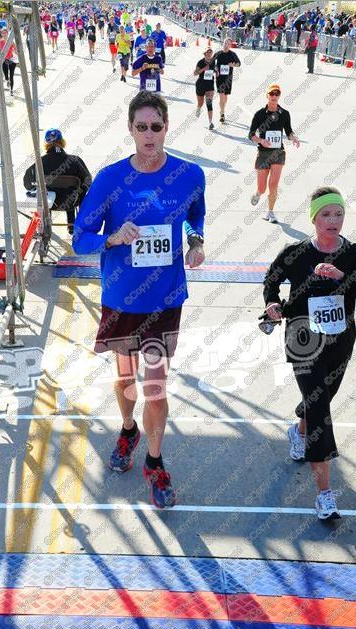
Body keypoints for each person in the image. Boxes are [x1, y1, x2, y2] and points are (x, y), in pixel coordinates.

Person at [72, 91, 206, 509]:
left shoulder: (190, 174)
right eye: (142, 127)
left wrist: (196, 241)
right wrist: (112, 237)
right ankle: (128, 428)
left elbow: (195, 216)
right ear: (130, 129)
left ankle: (154, 461)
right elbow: (80, 239)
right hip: (121, 300)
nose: (150, 135)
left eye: (157, 126)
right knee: (127, 381)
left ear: (168, 127)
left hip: (165, 300)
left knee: (156, 386)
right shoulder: (110, 179)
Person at [263, 186, 356, 520]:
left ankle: (299, 429)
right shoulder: (296, 253)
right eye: (326, 215)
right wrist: (272, 303)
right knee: (320, 405)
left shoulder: (353, 255)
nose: (333, 220)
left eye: (338, 214)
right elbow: (271, 280)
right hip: (303, 338)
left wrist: (342, 277)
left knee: (322, 397)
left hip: (339, 340)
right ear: (314, 218)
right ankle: (325, 495)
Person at [23, 129, 91, 235]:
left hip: (49, 203)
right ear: (62, 142)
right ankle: (71, 225)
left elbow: (27, 180)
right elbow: (88, 179)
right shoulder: (74, 160)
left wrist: (34, 190)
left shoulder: (41, 162)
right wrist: (81, 198)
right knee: (71, 190)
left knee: (46, 192)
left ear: (46, 144)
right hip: (71, 202)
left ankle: (47, 224)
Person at [249, 83, 300, 223]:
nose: (274, 96)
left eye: (277, 94)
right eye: (272, 94)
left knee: (274, 184)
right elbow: (251, 134)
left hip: (278, 153)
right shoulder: (259, 114)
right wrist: (261, 140)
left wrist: (294, 137)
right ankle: (258, 193)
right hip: (263, 153)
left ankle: (270, 212)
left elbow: (289, 131)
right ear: (267, 95)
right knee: (262, 187)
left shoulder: (284, 113)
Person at [212, 38, 240, 123]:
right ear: (223, 44)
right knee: (221, 95)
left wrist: (233, 64)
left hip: (228, 78)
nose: (226, 45)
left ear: (230, 45)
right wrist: (215, 68)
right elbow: (211, 63)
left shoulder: (232, 54)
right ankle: (222, 113)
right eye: (225, 43)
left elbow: (238, 64)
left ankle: (222, 109)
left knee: (225, 96)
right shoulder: (218, 53)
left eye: (228, 44)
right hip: (219, 77)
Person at [194, 46, 215, 130]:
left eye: (211, 52)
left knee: (209, 104)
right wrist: (203, 69)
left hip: (210, 85)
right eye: (208, 52)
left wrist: (216, 71)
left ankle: (210, 122)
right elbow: (195, 73)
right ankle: (198, 108)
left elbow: (215, 68)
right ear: (205, 53)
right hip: (200, 85)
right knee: (201, 103)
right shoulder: (200, 62)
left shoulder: (213, 62)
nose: (209, 54)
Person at [0, 28, 17, 96]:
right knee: (6, 75)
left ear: (7, 33)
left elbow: (15, 49)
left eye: (5, 33)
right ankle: (7, 79)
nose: (4, 34)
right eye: (2, 33)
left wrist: (16, 52)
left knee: (11, 75)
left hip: (11, 59)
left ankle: (11, 90)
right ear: (1, 34)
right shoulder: (0, 42)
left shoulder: (11, 41)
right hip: (4, 60)